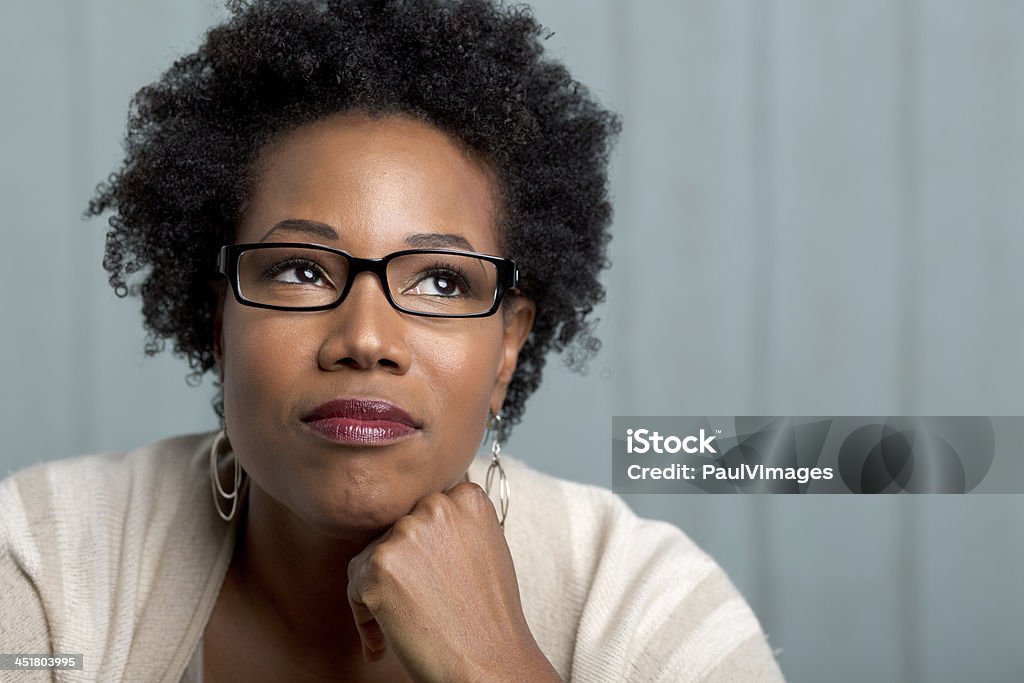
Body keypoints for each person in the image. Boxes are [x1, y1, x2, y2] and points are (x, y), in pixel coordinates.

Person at [0, 1, 784, 680]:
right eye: (301, 270)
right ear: (219, 321)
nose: (367, 338)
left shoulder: (648, 607)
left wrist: (494, 662)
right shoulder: (41, 563)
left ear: (507, 346)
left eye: (442, 280)